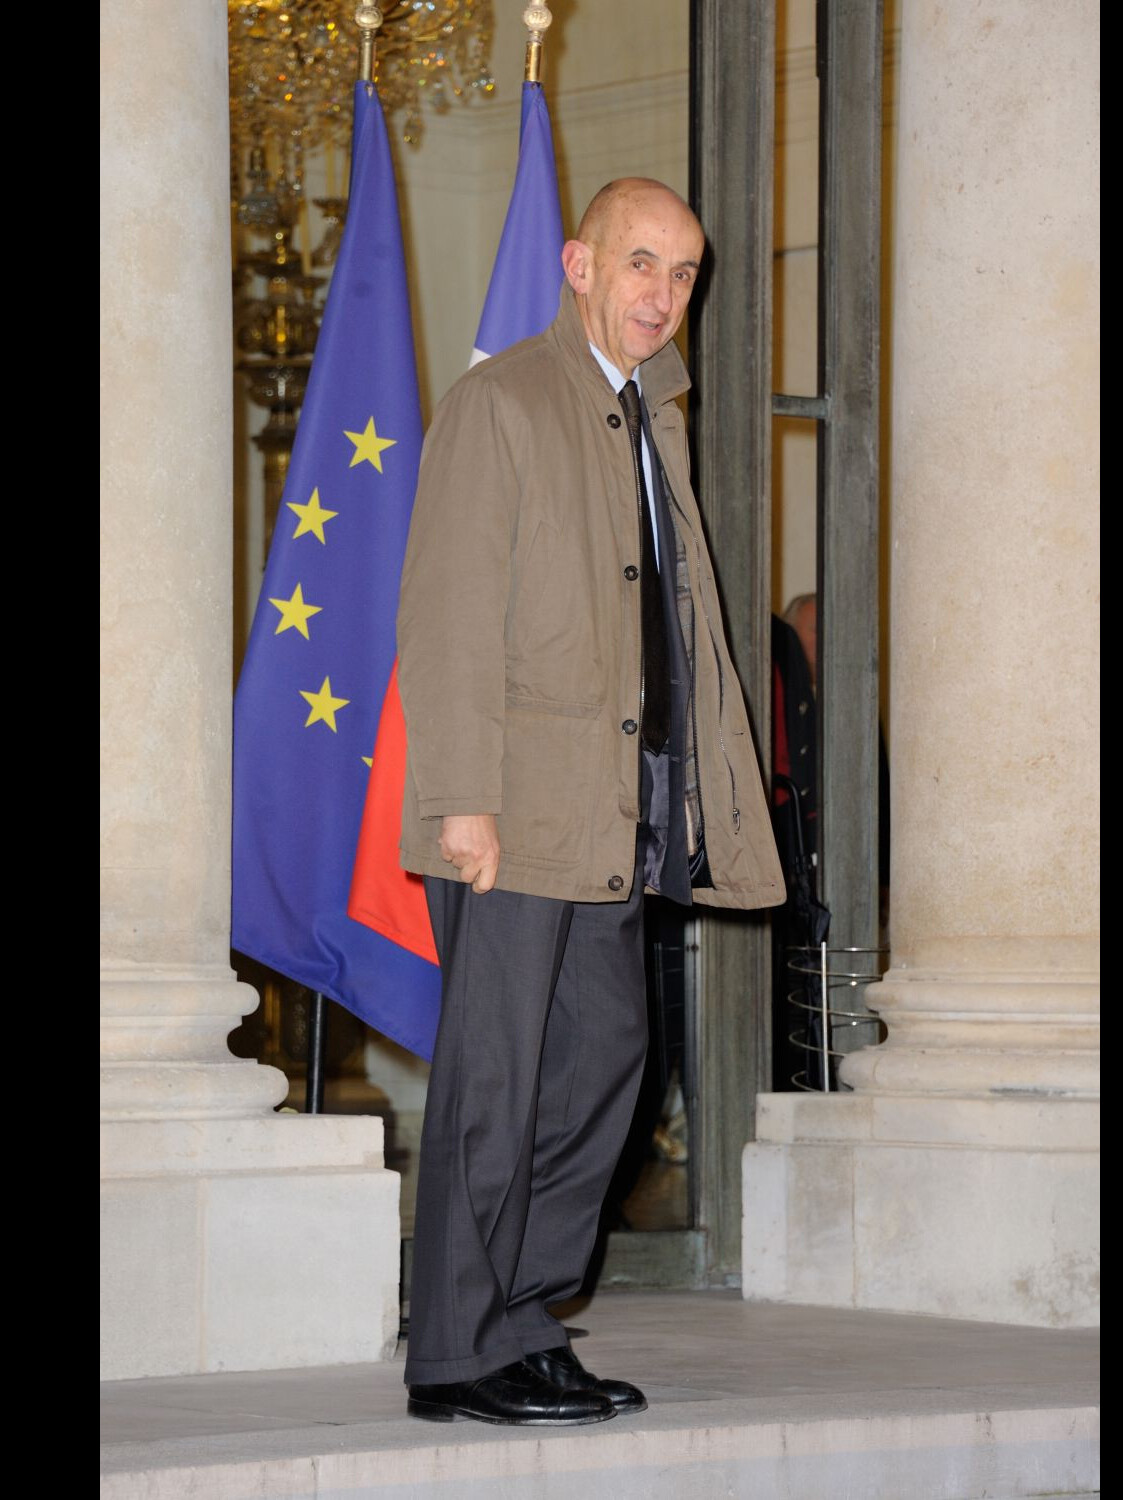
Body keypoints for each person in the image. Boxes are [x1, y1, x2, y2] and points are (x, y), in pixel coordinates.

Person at [395, 178, 784, 1427]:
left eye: (682, 274)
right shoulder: (501, 403)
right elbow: (447, 614)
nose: (662, 295)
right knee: (498, 1082)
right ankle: (457, 1352)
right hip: (514, 812)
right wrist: (461, 800)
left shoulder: (653, 422)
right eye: (640, 264)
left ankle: (520, 1316)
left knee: (609, 1058)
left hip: (620, 815)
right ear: (579, 265)